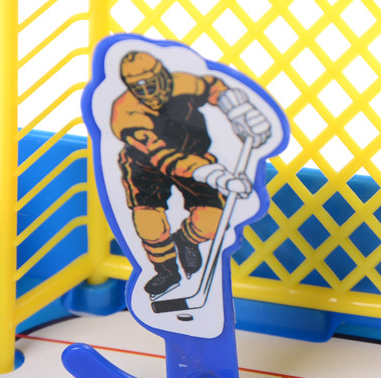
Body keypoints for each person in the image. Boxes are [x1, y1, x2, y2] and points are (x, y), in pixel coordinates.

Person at [110, 50, 271, 299]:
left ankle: (186, 240)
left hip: (193, 153)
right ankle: (167, 271)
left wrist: (237, 109)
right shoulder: (125, 113)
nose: (149, 93)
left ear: (163, 76)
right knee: (148, 222)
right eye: (139, 88)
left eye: (151, 84)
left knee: (213, 221)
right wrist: (212, 174)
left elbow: (213, 86)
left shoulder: (184, 83)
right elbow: (159, 154)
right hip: (146, 165)